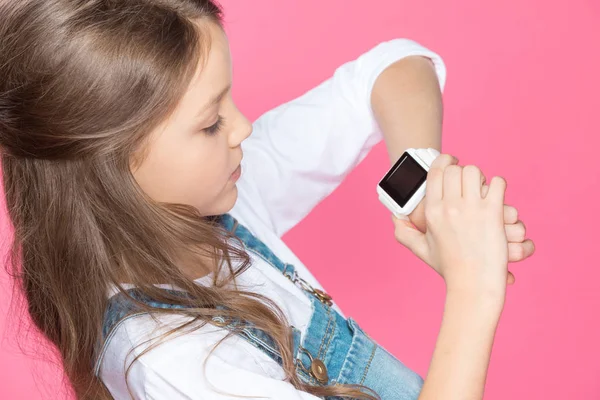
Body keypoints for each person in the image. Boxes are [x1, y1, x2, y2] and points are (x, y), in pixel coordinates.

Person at [0, 1, 534, 399]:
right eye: (211, 123)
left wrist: (419, 185)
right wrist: (474, 287)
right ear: (114, 165)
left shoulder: (221, 195)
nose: (243, 127)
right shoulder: (174, 360)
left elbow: (393, 68)